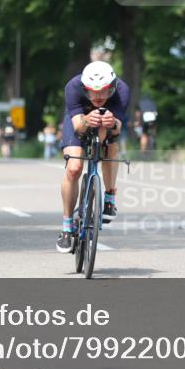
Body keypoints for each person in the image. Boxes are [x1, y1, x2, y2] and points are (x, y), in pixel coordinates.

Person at [56, 60, 130, 253]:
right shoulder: (73, 87)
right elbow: (78, 127)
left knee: (111, 147)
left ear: (112, 87)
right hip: (80, 118)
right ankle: (66, 227)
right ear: (84, 87)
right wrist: (87, 120)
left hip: (107, 120)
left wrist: (113, 123)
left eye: (104, 91)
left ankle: (109, 197)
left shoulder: (122, 91)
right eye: (92, 91)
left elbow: (117, 130)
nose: (97, 96)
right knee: (74, 168)